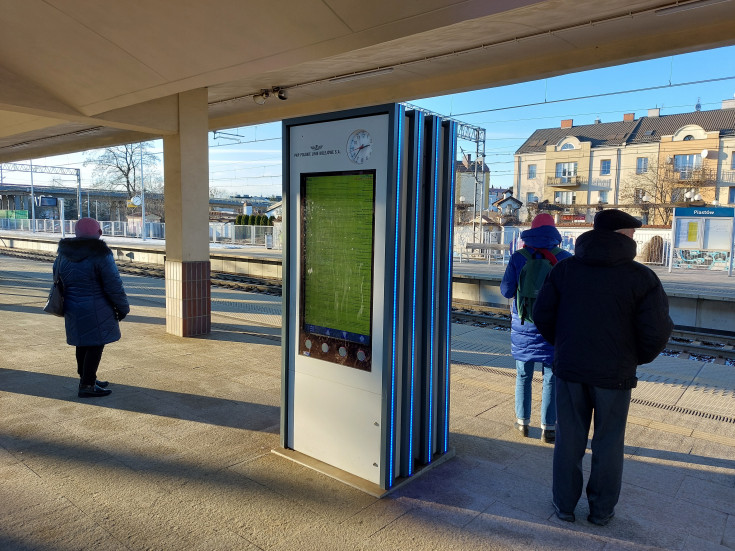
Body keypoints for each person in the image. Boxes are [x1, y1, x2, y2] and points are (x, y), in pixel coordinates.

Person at [533, 209, 673, 526]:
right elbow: (657, 331)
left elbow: (543, 315)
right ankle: (601, 511)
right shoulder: (642, 278)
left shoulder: (565, 270)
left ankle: (564, 505)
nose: (635, 239)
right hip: (614, 376)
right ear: (621, 235)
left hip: (570, 370)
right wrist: (633, 358)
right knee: (609, 443)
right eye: (632, 233)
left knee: (569, 440)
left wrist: (565, 346)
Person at [500, 213, 572, 443]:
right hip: (553, 327)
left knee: (523, 375)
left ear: (531, 230)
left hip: (524, 325)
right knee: (551, 378)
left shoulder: (518, 257)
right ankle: (548, 428)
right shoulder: (565, 258)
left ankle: (522, 423)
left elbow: (506, 291)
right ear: (554, 232)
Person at [53, 217, 130, 398]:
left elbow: (57, 280)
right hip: (97, 307)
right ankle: (87, 385)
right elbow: (113, 284)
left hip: (72, 306)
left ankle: (87, 378)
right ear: (99, 233)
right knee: (95, 345)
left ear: (76, 233)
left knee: (82, 343)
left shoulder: (63, 254)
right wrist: (123, 307)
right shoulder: (101, 254)